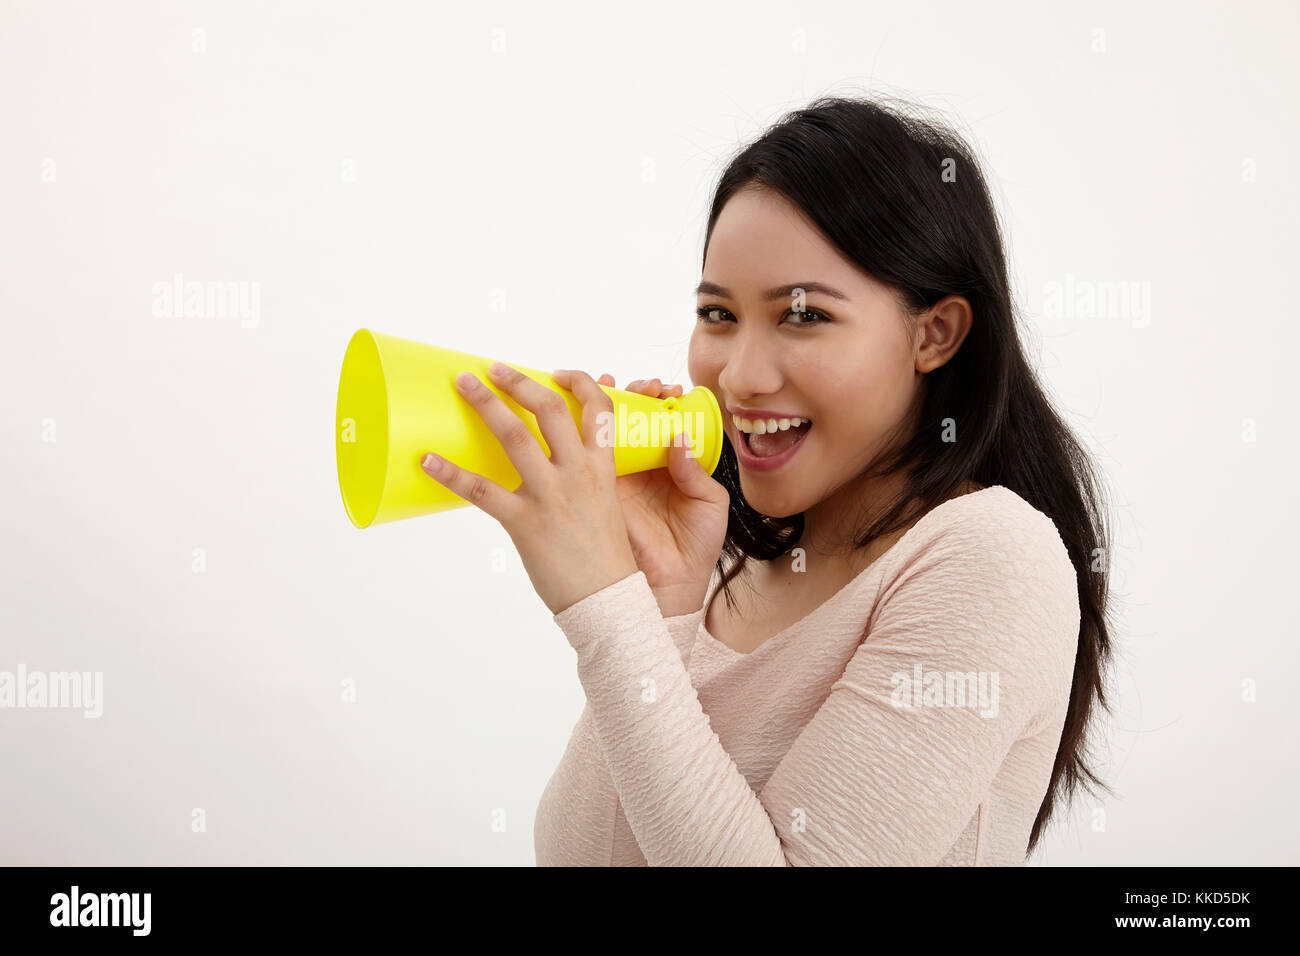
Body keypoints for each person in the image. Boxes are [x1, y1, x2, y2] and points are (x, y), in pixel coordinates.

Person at [420, 94, 1115, 866]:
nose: (740, 376)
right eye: (718, 315)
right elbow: (579, 854)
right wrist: (660, 608)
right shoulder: (729, 564)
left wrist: (605, 609)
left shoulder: (993, 557)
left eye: (803, 316)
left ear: (935, 334)